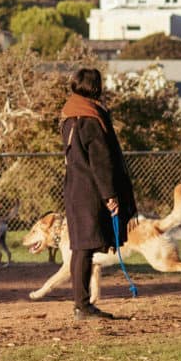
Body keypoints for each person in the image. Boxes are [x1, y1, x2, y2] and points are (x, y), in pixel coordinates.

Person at [58, 66, 138, 320]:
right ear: (95, 87)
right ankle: (82, 305)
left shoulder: (70, 114)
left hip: (75, 188)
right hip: (90, 190)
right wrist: (110, 195)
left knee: (83, 247)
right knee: (84, 248)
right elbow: (100, 161)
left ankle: (82, 303)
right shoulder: (90, 118)